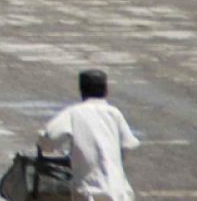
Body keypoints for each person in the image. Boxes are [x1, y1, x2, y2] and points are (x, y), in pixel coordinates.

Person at [38, 69, 139, 201]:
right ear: (106, 90)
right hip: (119, 192)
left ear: (82, 90)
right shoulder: (114, 113)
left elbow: (49, 139)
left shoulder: (74, 113)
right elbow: (129, 144)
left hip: (89, 192)